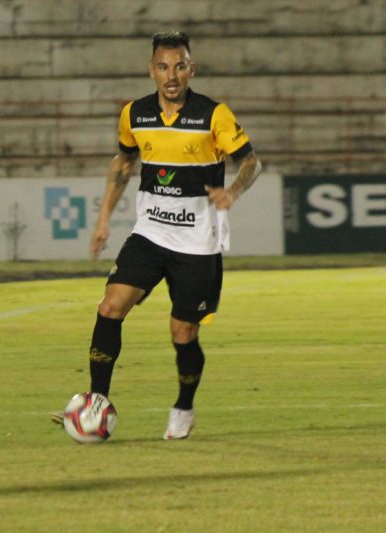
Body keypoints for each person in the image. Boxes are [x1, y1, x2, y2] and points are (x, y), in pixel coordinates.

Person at [57, 31, 261, 440]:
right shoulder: (134, 114)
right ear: (151, 70)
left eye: (180, 66)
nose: (172, 75)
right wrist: (103, 220)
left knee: (183, 333)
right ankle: (97, 399)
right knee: (110, 306)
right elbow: (124, 162)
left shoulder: (213, 115)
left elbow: (251, 162)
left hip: (198, 243)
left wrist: (233, 190)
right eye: (164, 67)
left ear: (191, 69)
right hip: (149, 234)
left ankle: (184, 406)